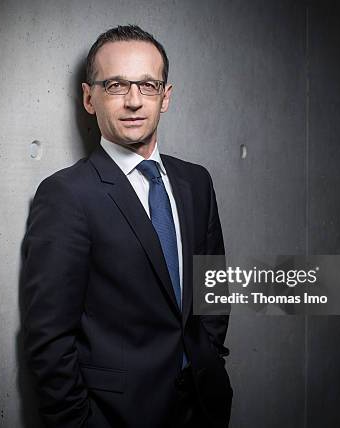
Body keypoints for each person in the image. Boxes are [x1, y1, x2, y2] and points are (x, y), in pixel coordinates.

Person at [20, 25, 232, 428]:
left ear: (165, 97)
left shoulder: (196, 182)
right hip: (119, 416)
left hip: (203, 407)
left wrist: (210, 359)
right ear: (89, 97)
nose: (134, 101)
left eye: (148, 85)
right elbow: (49, 338)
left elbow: (213, 290)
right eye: (116, 85)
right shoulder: (67, 195)